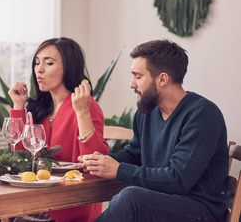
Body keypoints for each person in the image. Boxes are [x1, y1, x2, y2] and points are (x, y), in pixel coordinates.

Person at [79, 39, 229, 222]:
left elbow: (178, 180)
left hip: (202, 210)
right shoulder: (147, 112)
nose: (131, 84)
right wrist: (100, 162)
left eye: (138, 76)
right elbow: (135, 154)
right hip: (164, 201)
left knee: (130, 199)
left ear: (163, 79)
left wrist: (118, 170)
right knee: (129, 198)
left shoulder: (203, 115)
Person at [9, 37, 109, 222]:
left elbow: (94, 160)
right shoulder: (41, 107)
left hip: (70, 203)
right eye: (37, 63)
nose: (39, 69)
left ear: (69, 68)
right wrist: (18, 106)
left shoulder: (85, 106)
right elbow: (21, 158)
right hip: (37, 200)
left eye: (49, 63)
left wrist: (83, 113)